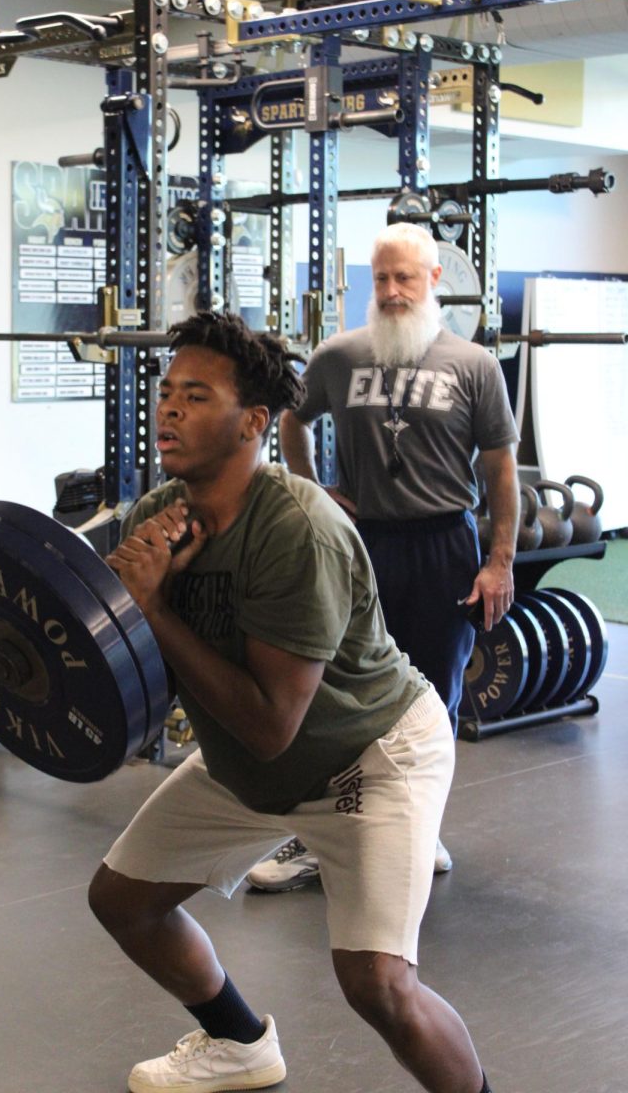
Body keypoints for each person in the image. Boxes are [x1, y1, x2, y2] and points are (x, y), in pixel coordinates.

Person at [89, 310, 494, 1093]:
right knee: (123, 900)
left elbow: (274, 725)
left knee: (377, 984)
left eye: (196, 396)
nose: (168, 408)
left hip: (368, 759)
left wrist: (157, 610)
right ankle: (241, 1043)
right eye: (167, 392)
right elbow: (117, 666)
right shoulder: (155, 519)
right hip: (254, 765)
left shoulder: (297, 530)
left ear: (253, 424)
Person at [247, 222, 519, 892]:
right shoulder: (339, 355)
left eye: (405, 278)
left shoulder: (473, 364)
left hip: (443, 545)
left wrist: (500, 560)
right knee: (329, 691)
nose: (392, 291)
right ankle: (315, 837)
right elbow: (292, 420)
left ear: (434, 282)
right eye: (381, 278)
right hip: (359, 545)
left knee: (434, 696)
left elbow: (501, 473)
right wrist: (314, 490)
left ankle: (416, 831)